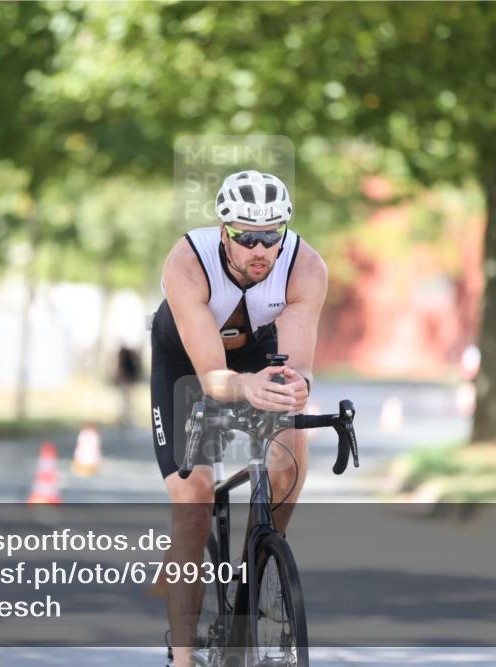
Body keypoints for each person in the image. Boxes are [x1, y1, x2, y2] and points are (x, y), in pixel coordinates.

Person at [150, 170, 328, 666]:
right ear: (223, 231)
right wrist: (243, 386)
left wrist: (295, 388)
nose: (259, 249)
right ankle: (183, 657)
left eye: (271, 237)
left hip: (260, 355)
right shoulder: (187, 261)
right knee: (194, 494)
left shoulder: (305, 267)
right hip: (187, 364)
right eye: (245, 236)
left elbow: (299, 367)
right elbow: (212, 377)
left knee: (293, 433)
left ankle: (267, 563)